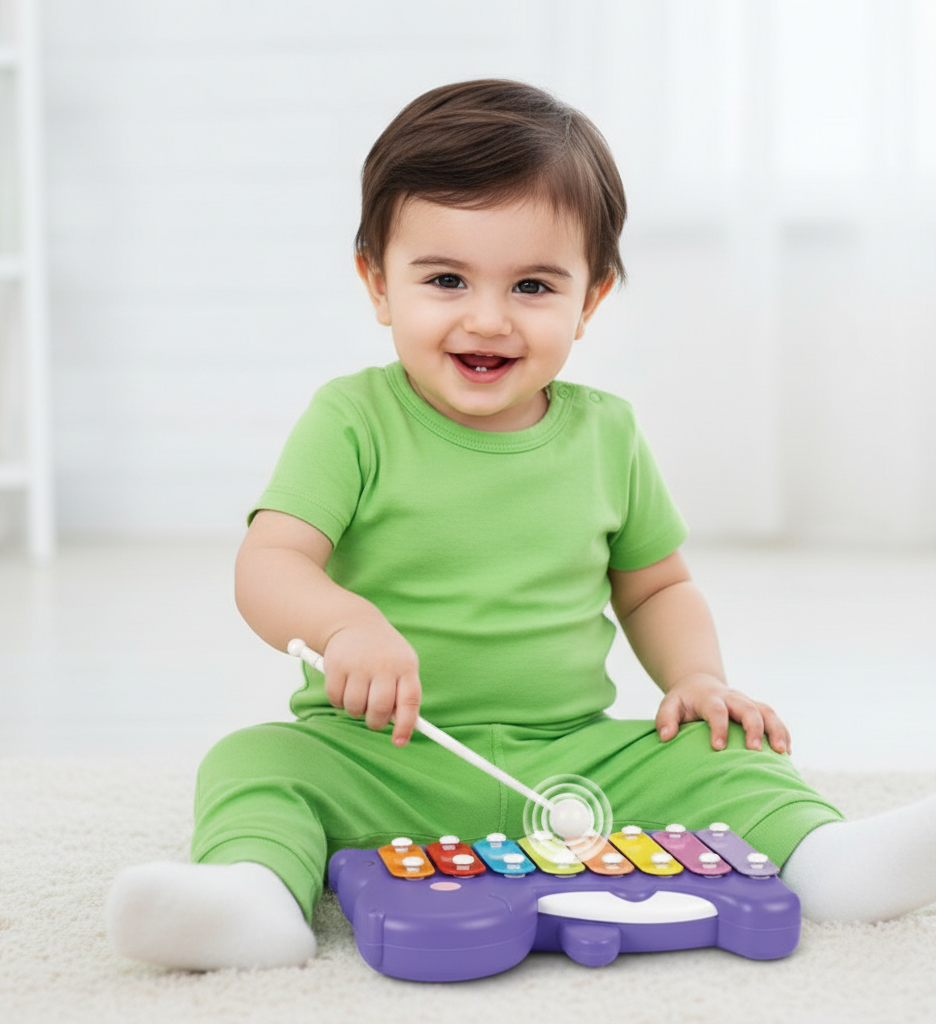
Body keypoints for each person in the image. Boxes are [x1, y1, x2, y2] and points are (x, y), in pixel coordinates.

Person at [106, 79, 936, 972]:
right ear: (378, 283)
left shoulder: (607, 432)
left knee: (725, 751)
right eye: (446, 279)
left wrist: (697, 677)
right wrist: (345, 624)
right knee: (253, 761)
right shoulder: (350, 420)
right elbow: (269, 562)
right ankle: (251, 897)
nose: (488, 318)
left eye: (534, 284)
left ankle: (827, 859)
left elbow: (657, 584)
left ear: (592, 298)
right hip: (382, 756)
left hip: (577, 760)